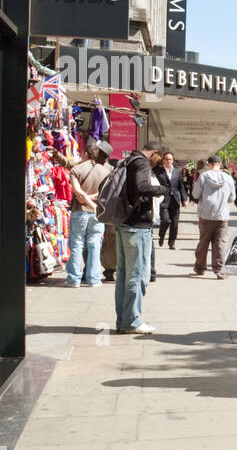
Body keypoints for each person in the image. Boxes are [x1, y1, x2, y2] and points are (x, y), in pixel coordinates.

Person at [114, 141, 167, 334]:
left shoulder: (128, 160)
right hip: (138, 227)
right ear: (154, 153)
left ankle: (123, 319)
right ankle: (131, 320)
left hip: (124, 224)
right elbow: (142, 187)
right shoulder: (142, 163)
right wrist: (162, 190)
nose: (157, 164)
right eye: (158, 159)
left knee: (123, 276)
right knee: (138, 276)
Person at [65, 139, 113, 287]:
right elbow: (105, 194)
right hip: (97, 213)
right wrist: (93, 199)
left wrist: (85, 198)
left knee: (77, 244)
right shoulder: (105, 171)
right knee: (95, 245)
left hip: (80, 211)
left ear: (86, 153)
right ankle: (94, 279)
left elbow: (77, 193)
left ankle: (74, 279)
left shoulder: (77, 170)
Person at [192, 155, 237, 279]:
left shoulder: (203, 177)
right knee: (220, 243)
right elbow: (232, 198)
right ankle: (219, 270)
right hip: (222, 216)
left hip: (205, 215)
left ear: (209, 164)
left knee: (203, 242)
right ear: (220, 164)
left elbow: (195, 195)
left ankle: (200, 268)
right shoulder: (228, 178)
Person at [156, 151, 186, 250]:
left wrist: (184, 199)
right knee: (165, 220)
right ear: (163, 160)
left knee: (174, 223)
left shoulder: (177, 171)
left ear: (173, 160)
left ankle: (171, 242)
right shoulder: (157, 171)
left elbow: (181, 186)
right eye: (166, 159)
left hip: (175, 200)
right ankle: (161, 235)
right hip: (163, 199)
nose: (168, 161)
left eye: (170, 159)